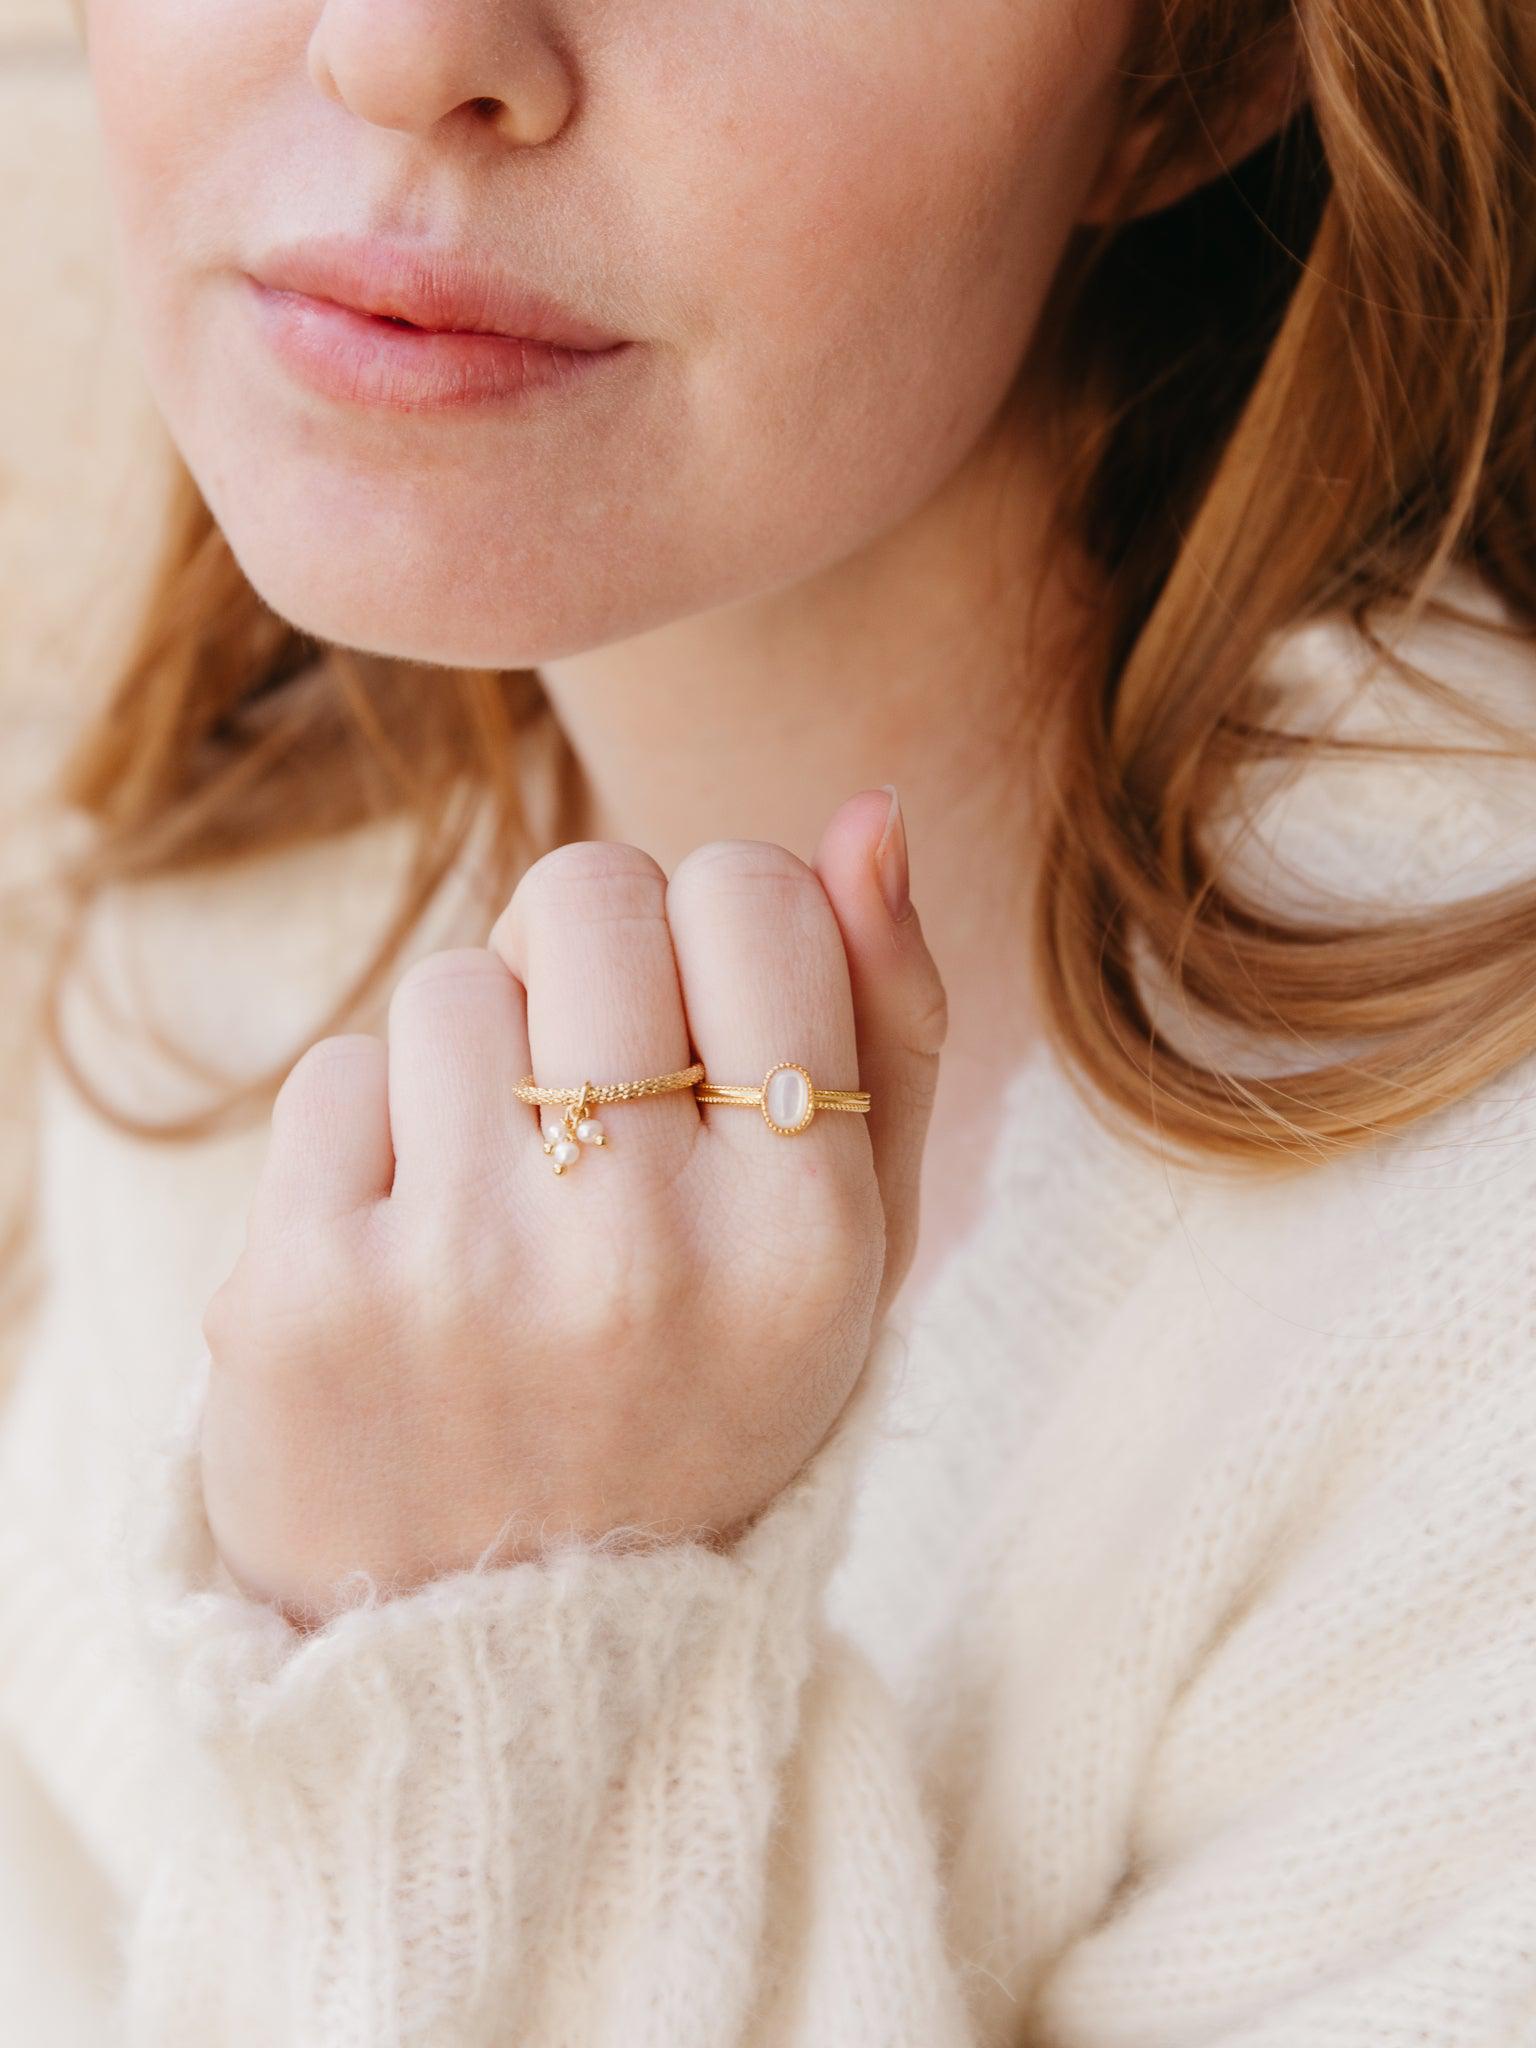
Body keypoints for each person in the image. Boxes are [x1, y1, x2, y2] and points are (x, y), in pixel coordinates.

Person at [1, 0, 1534, 2039]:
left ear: (1202, 66)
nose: (400, 44)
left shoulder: (1465, 1335)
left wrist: (504, 1669)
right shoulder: (206, 953)